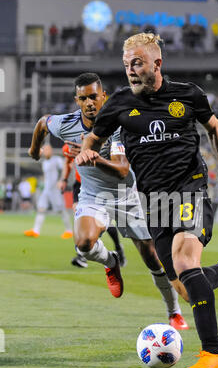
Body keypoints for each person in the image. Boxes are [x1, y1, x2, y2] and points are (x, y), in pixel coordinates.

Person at [76, 33, 218, 368]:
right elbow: (94, 135)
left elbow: (214, 127)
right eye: (127, 64)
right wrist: (87, 148)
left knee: (187, 262)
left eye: (138, 63)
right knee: (188, 291)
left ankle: (213, 354)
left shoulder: (187, 94)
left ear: (157, 64)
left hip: (190, 188)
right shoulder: (118, 104)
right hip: (153, 201)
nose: (130, 70)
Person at [28, 72, 189, 331]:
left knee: (151, 257)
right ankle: (111, 262)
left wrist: (90, 155)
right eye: (83, 98)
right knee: (83, 245)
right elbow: (43, 123)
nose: (90, 103)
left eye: (94, 96)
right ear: (77, 100)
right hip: (94, 195)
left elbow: (122, 170)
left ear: (104, 96)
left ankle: (174, 312)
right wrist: (35, 150)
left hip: (128, 196)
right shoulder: (66, 124)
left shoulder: (117, 124)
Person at [24, 144, 73, 239]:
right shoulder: (44, 163)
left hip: (55, 189)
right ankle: (36, 231)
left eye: (47, 150)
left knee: (61, 210)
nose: (46, 152)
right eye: (44, 150)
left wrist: (61, 180)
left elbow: (65, 167)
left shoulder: (56, 159)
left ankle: (69, 231)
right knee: (41, 209)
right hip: (46, 190)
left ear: (51, 150)